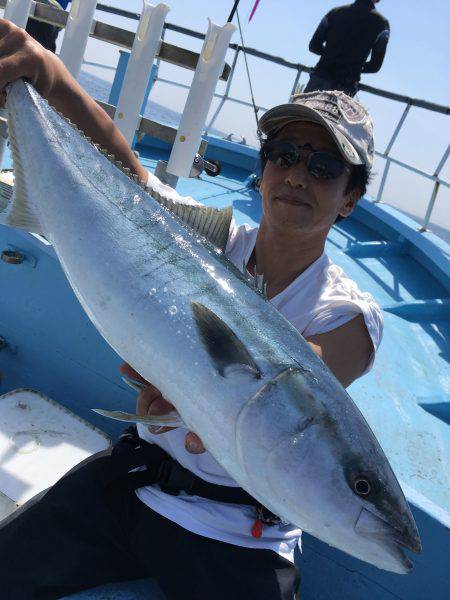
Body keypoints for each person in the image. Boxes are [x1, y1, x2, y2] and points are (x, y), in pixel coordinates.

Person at [0, 18, 383, 600]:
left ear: (349, 198)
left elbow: (299, 382)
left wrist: (190, 393)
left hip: (236, 535)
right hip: (131, 483)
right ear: (262, 171)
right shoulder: (212, 244)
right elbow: (124, 172)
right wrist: (43, 73)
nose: (298, 175)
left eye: (324, 167)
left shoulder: (348, 314)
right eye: (284, 154)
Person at [304, 0, 390, 97]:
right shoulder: (382, 24)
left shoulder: (335, 12)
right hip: (345, 87)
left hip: (319, 79)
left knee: (299, 112)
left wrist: (330, 55)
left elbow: (314, 46)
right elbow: (375, 66)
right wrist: (354, 66)